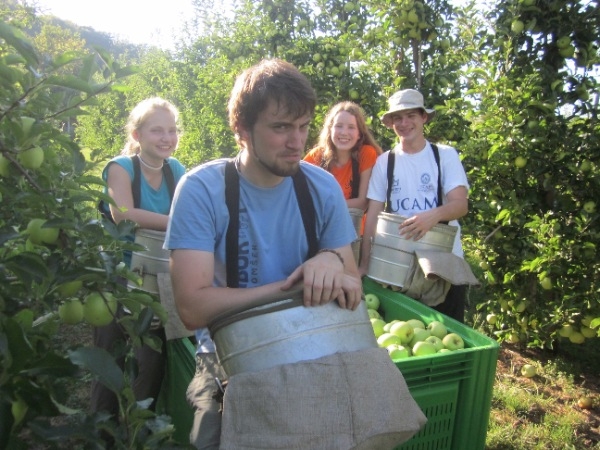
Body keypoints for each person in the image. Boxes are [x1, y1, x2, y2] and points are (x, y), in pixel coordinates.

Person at [165, 60, 424, 449]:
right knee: (214, 439)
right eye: (281, 127)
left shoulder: (321, 187)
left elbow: (351, 287)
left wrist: (331, 260)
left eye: (303, 126)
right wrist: (290, 287)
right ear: (242, 129)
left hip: (320, 348)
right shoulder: (202, 190)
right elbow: (192, 308)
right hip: (230, 357)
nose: (296, 142)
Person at [91, 97, 186, 423]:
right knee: (108, 362)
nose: (166, 138)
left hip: (157, 278)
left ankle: (139, 433)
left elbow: (192, 213)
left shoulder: (176, 171)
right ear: (137, 134)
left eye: (172, 130)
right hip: (118, 278)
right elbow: (124, 214)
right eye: (157, 130)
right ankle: (101, 434)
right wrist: (177, 222)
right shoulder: (121, 168)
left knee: (151, 363)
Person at [358, 89, 470, 322]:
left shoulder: (444, 155)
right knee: (401, 332)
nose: (404, 123)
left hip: (443, 268)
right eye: (398, 118)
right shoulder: (385, 162)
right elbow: (373, 216)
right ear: (391, 123)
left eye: (411, 116)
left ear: (423, 117)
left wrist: (432, 216)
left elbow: (461, 205)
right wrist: (366, 264)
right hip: (398, 267)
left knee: (448, 331)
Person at [304, 101, 382, 211]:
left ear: (359, 134)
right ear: (330, 130)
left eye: (351, 127)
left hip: (353, 220)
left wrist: (324, 206)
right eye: (339, 126)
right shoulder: (316, 156)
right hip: (322, 220)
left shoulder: (366, 153)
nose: (344, 132)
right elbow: (297, 191)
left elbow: (362, 203)